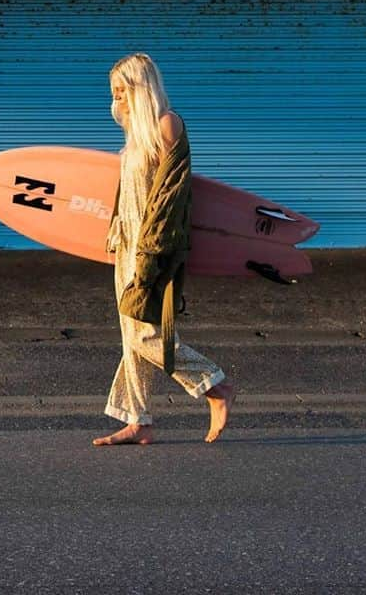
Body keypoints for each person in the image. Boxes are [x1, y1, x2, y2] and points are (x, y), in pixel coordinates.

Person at [92, 53, 236, 446]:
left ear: (142, 88)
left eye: (123, 90)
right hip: (127, 246)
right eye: (114, 92)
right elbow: (129, 196)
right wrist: (115, 237)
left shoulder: (167, 125)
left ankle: (214, 385)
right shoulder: (137, 136)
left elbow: (170, 199)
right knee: (130, 335)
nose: (116, 99)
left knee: (146, 335)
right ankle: (138, 420)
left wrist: (150, 256)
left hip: (152, 249)